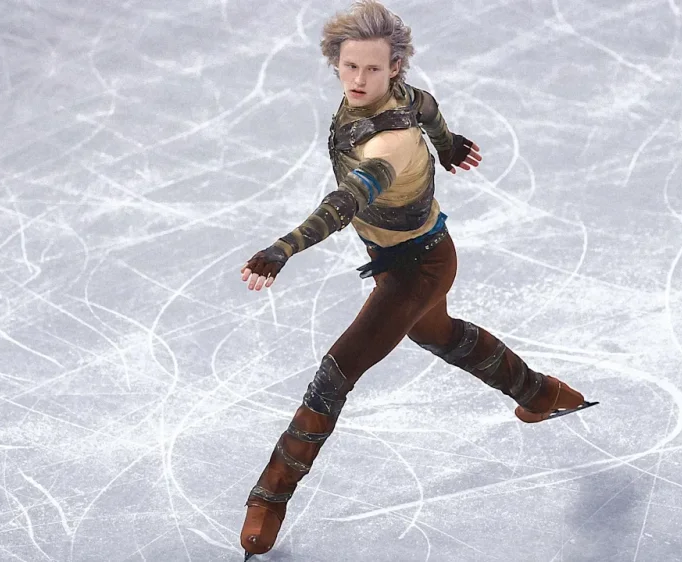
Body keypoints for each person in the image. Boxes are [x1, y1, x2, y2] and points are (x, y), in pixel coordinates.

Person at [237, 1, 593, 558]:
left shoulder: (390, 143)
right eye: (349, 66)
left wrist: (282, 249)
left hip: (414, 271)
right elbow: (426, 104)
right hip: (417, 256)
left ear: (394, 66)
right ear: (336, 62)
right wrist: (447, 145)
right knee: (438, 333)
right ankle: (541, 393)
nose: (358, 79)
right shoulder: (395, 97)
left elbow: (344, 203)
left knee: (335, 375)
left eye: (372, 68)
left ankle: (270, 496)